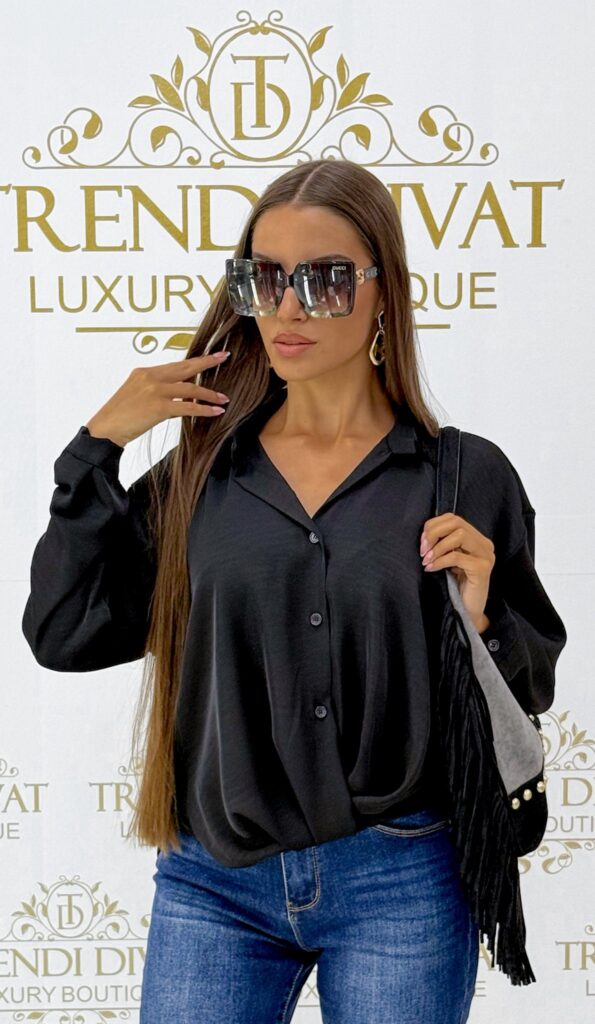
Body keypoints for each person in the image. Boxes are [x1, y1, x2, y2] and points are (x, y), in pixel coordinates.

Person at [22, 158, 567, 1023]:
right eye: (265, 279)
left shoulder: (465, 476)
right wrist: (96, 448)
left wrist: (481, 614)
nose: (288, 308)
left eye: (325, 280)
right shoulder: (198, 476)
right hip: (214, 881)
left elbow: (527, 679)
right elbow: (64, 632)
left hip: (401, 876)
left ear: (383, 292)